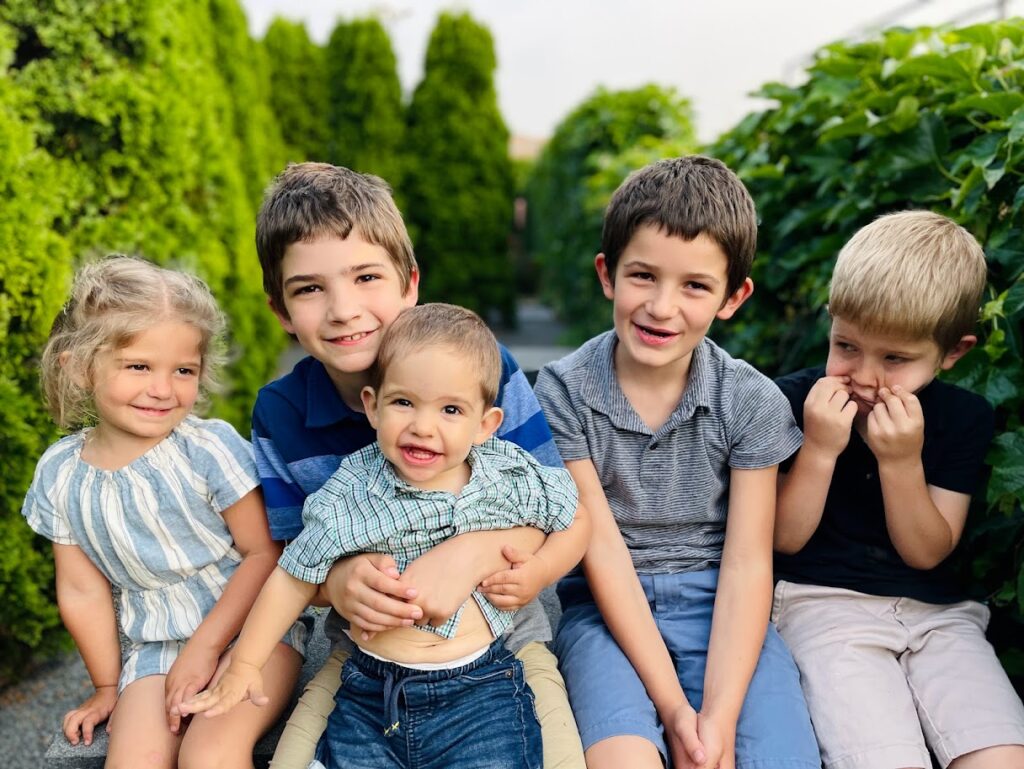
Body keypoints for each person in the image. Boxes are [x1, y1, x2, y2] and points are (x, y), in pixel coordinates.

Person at [249, 162, 588, 769]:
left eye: (366, 277)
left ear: (409, 284)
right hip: (362, 656)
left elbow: (558, 510)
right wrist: (340, 585)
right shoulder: (282, 414)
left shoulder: (485, 370)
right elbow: (293, 566)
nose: (344, 310)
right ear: (280, 310)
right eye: (309, 289)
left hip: (506, 643)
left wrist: (489, 555)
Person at [183, 303, 584, 769]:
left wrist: (540, 569)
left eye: (451, 409)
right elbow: (293, 576)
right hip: (371, 687)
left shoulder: (509, 475)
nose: (422, 426)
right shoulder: (352, 491)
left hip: (482, 683)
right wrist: (246, 664)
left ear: (485, 426)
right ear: (373, 406)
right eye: (403, 403)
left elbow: (573, 514)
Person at [535, 155, 821, 769]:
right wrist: (672, 710)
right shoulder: (562, 392)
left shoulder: (749, 399)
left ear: (732, 297)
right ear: (607, 274)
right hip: (607, 614)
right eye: (643, 276)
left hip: (724, 608)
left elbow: (748, 562)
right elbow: (602, 550)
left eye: (694, 286)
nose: (662, 307)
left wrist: (714, 718)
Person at [20, 255, 305, 769]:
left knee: (209, 755)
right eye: (138, 367)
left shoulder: (207, 449)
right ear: (80, 368)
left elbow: (265, 553)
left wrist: (206, 649)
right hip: (152, 646)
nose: (163, 388)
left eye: (183, 370)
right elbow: (82, 590)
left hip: (253, 632)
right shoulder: (60, 473)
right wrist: (108, 685)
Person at [772, 210, 1024, 769]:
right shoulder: (789, 402)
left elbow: (928, 549)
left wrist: (901, 461)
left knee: (1001, 752)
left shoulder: (964, 418)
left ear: (953, 353)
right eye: (846, 346)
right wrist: (818, 450)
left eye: (895, 359)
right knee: (883, 757)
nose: (863, 374)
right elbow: (782, 539)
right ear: (831, 321)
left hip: (938, 614)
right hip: (821, 604)